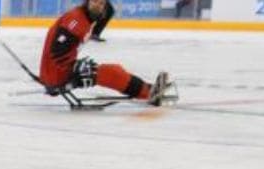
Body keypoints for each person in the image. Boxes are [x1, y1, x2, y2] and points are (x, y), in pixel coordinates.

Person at [40, 0, 172, 106]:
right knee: (111, 73)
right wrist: (70, 75)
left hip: (58, 71)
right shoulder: (76, 20)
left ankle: (148, 89)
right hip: (57, 73)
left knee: (114, 70)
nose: (98, 6)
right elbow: (56, 52)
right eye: (95, 2)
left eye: (102, 3)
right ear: (87, 2)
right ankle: (149, 93)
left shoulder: (86, 17)